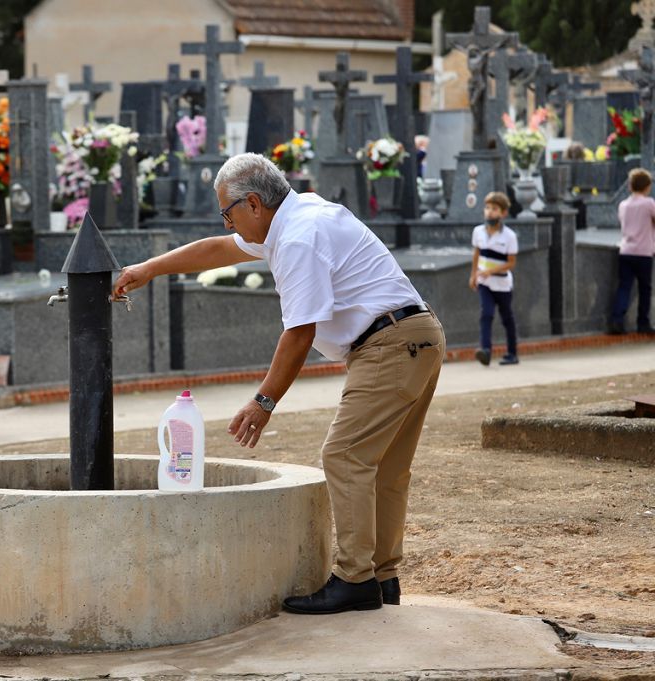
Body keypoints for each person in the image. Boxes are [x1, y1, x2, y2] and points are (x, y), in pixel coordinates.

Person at [113, 153, 445, 614]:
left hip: (388, 343)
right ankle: (380, 576)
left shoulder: (297, 238)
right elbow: (217, 249)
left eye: (227, 213)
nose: (227, 223)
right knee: (382, 465)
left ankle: (355, 579)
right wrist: (149, 268)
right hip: (415, 336)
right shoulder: (294, 215)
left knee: (345, 455)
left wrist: (263, 401)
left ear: (252, 203)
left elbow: (300, 330)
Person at [469, 192, 519, 366]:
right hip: (485, 283)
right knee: (486, 314)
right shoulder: (478, 232)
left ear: (503, 213)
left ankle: (512, 353)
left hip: (503, 285)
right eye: (488, 208)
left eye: (495, 209)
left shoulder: (509, 236)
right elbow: (476, 254)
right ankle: (486, 351)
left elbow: (511, 263)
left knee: (507, 318)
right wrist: (473, 274)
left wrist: (492, 271)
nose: (490, 212)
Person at [610, 168, 655, 335]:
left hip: (626, 251)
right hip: (644, 252)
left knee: (624, 287)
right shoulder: (649, 203)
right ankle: (643, 323)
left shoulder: (623, 205)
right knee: (645, 288)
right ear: (647, 186)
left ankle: (617, 320)